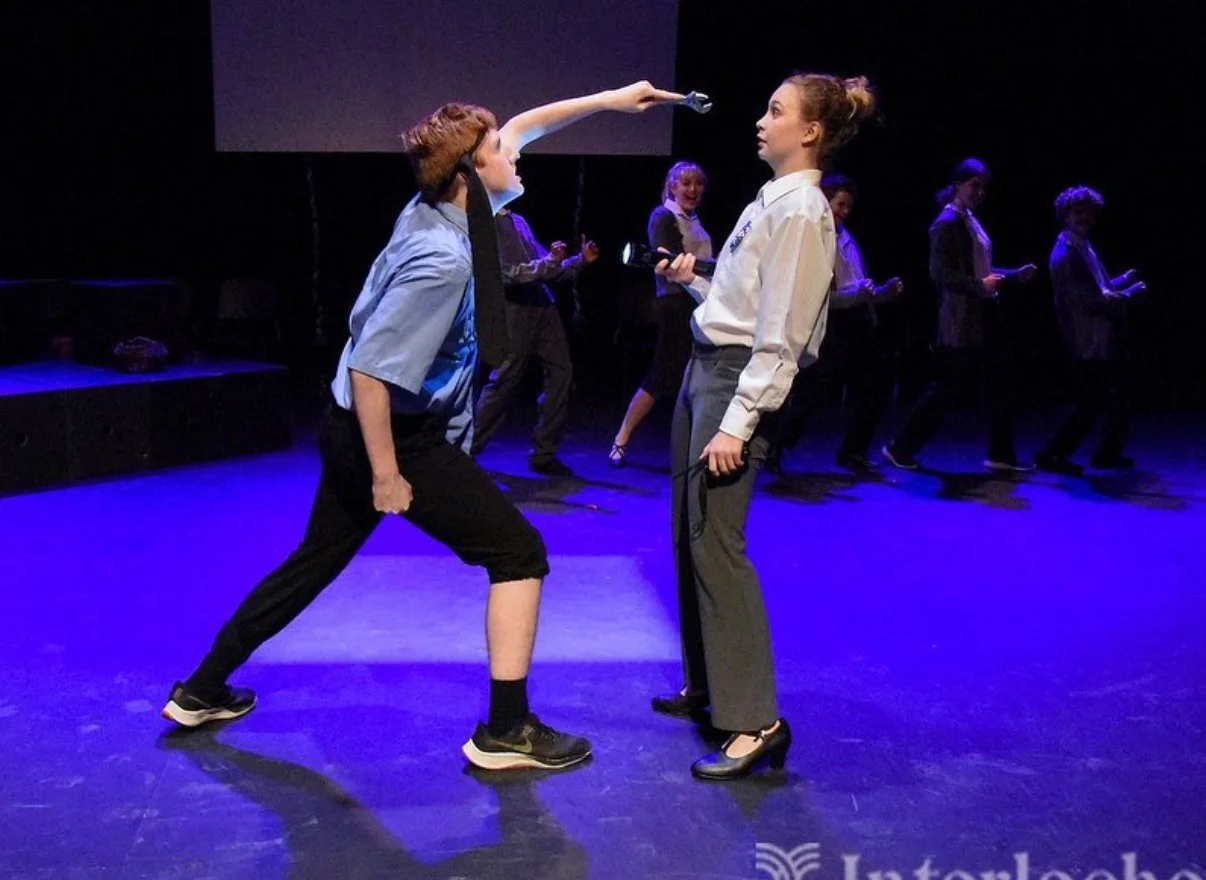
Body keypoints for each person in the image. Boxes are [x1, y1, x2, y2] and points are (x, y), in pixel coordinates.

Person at [161, 81, 685, 774]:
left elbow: (526, 123)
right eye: (499, 148)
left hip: (350, 428)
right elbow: (373, 374)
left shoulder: (438, 207)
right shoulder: (442, 260)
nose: (516, 152)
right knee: (519, 555)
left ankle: (200, 690)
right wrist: (386, 476)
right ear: (470, 170)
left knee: (311, 563)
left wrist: (612, 100)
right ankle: (506, 730)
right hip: (394, 438)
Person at [652, 72, 876, 780]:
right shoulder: (771, 200)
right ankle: (709, 686)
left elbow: (781, 336)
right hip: (706, 365)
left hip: (733, 382)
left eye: (775, 110)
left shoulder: (805, 211)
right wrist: (693, 282)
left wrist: (738, 423)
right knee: (689, 533)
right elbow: (742, 300)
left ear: (810, 131)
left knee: (716, 541)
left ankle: (755, 720)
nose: (760, 120)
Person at [881, 158, 1038, 472]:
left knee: (1001, 378)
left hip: (982, 309)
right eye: (974, 186)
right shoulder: (948, 222)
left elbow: (981, 270)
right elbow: (939, 272)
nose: (979, 193)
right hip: (962, 316)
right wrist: (979, 285)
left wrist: (1011, 275)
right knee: (948, 386)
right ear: (957, 185)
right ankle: (900, 447)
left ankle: (1001, 454)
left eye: (983, 188)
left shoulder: (969, 220)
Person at [766, 172, 902, 472]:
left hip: (856, 323)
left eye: (848, 206)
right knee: (814, 394)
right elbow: (820, 296)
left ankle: (852, 451)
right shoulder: (813, 236)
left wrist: (880, 294)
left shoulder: (846, 237)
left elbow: (856, 285)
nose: (843, 211)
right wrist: (860, 296)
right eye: (839, 204)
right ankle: (774, 446)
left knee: (871, 387)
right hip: (829, 326)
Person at [471, 208, 599, 476]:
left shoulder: (517, 219)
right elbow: (505, 273)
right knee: (505, 381)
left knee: (562, 375)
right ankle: (465, 450)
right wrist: (548, 263)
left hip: (543, 307)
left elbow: (548, 268)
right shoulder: (483, 219)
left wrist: (579, 260)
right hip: (514, 311)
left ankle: (544, 452)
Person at [1034, 185, 1145, 474]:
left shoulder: (1081, 245)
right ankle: (1052, 453)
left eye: (1088, 213)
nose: (1084, 218)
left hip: (1099, 334)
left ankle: (1105, 452)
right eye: (1077, 212)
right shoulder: (1067, 253)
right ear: (1066, 215)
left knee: (1112, 395)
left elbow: (1098, 288)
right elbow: (1087, 300)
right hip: (1087, 338)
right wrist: (1129, 293)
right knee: (1092, 400)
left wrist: (1120, 281)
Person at [609, 161, 713, 467]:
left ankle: (699, 445)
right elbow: (668, 261)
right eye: (686, 183)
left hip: (700, 302)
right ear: (672, 186)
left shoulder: (693, 220)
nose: (693, 190)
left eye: (698, 184)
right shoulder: (663, 216)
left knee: (697, 374)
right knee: (662, 374)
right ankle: (621, 438)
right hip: (675, 303)